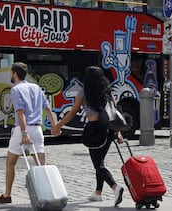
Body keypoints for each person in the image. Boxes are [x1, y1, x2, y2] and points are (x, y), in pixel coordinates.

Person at [52, 66, 124, 206]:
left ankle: (115, 187)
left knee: (98, 164)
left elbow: (73, 112)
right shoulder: (107, 92)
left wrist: (58, 125)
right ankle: (98, 193)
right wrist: (118, 132)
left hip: (94, 129)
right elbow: (115, 112)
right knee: (100, 160)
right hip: (108, 130)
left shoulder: (83, 92)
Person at [0, 62, 57, 204]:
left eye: (11, 72)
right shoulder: (36, 87)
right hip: (38, 129)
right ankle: (49, 194)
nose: (10, 75)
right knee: (42, 166)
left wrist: (23, 133)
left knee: (10, 163)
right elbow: (47, 107)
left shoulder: (16, 89)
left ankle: (7, 195)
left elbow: (20, 112)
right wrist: (54, 125)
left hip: (23, 129)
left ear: (15, 73)